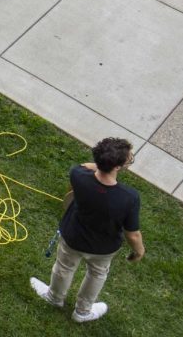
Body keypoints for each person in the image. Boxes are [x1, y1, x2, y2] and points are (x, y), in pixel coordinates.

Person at [30, 138, 145, 324]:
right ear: (117, 167)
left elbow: (84, 166)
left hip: (73, 237)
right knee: (97, 274)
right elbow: (133, 233)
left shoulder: (78, 175)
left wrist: (100, 164)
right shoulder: (129, 197)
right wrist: (139, 251)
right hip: (103, 247)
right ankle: (82, 312)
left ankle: (55, 297)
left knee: (64, 267)